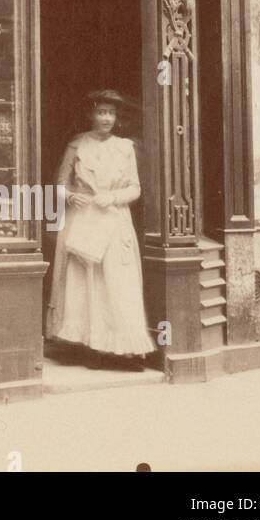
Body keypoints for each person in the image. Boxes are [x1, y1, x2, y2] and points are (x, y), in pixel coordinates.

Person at [45, 89, 155, 368]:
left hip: (115, 221)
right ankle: (89, 347)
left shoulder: (126, 147)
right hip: (83, 220)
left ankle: (120, 349)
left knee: (118, 284)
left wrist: (115, 197)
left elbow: (135, 188)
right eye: (101, 112)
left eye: (111, 113)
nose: (106, 118)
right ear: (90, 114)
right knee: (85, 285)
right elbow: (58, 184)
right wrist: (70, 196)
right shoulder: (77, 144)